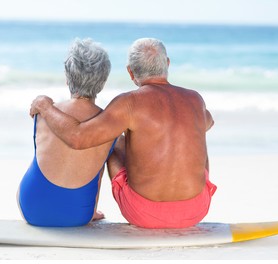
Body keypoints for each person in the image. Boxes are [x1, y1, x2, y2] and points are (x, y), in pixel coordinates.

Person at [30, 38, 217, 229]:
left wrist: (44, 106)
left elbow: (78, 138)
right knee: (195, 133)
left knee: (112, 141)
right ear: (167, 64)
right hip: (196, 209)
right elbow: (208, 122)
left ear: (130, 71)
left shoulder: (129, 103)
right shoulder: (195, 99)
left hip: (145, 214)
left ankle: (92, 206)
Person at [18, 38, 116, 227]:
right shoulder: (108, 124)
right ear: (102, 82)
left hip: (31, 210)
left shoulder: (44, 112)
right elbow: (98, 177)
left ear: (67, 77)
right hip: (77, 215)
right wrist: (91, 211)